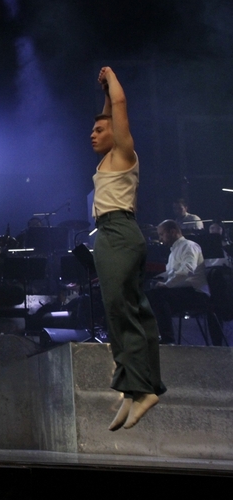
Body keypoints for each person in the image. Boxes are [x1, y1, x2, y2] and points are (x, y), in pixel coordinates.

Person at [90, 66, 164, 431]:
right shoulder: (109, 158)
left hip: (117, 231)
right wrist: (105, 92)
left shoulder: (123, 152)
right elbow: (109, 110)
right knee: (133, 309)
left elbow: (118, 108)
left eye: (99, 130)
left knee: (120, 310)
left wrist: (113, 78)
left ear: (115, 134)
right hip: (114, 232)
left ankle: (139, 387)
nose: (93, 133)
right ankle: (139, 389)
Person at [147, 219, 215, 344]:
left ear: (173, 232)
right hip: (184, 291)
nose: (160, 238)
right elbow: (170, 273)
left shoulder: (189, 246)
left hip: (196, 293)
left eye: (162, 234)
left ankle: (167, 339)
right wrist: (154, 279)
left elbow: (187, 271)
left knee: (156, 297)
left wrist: (167, 285)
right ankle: (157, 336)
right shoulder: (174, 251)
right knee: (149, 295)